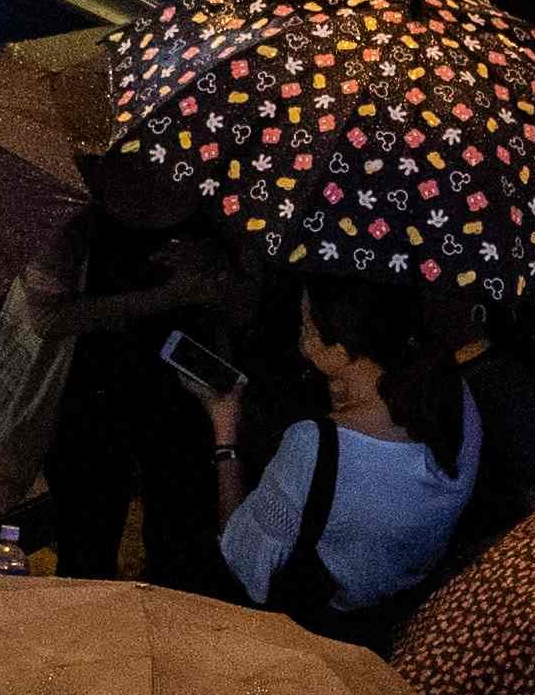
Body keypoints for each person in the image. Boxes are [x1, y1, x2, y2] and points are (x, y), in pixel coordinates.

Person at [200, 272, 488, 641]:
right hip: (402, 609)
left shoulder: (317, 445)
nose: (301, 335)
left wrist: (224, 428)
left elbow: (242, 557)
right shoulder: (455, 395)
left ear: (340, 348)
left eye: (307, 324)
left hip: (328, 629)